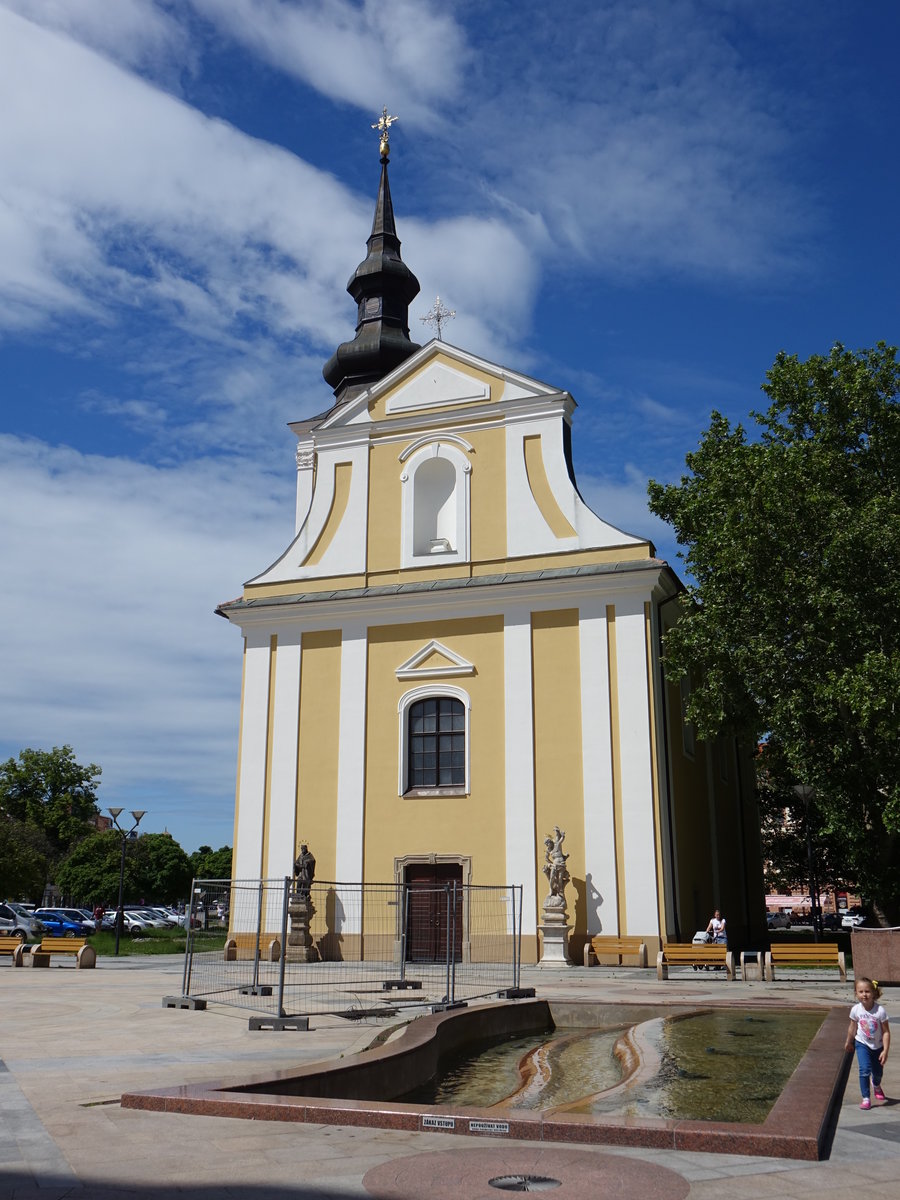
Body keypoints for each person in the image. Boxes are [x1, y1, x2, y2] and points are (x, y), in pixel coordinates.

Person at [845, 976, 890, 1109]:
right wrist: (849, 1042)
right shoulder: (856, 1010)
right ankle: (866, 1098)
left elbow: (886, 1032)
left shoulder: (880, 1011)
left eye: (867, 991)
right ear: (856, 993)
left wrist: (885, 1050)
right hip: (862, 1044)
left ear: (874, 993)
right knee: (864, 1070)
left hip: (878, 1046)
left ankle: (876, 1085)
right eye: (861, 992)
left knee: (877, 1073)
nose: (864, 995)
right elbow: (852, 1027)